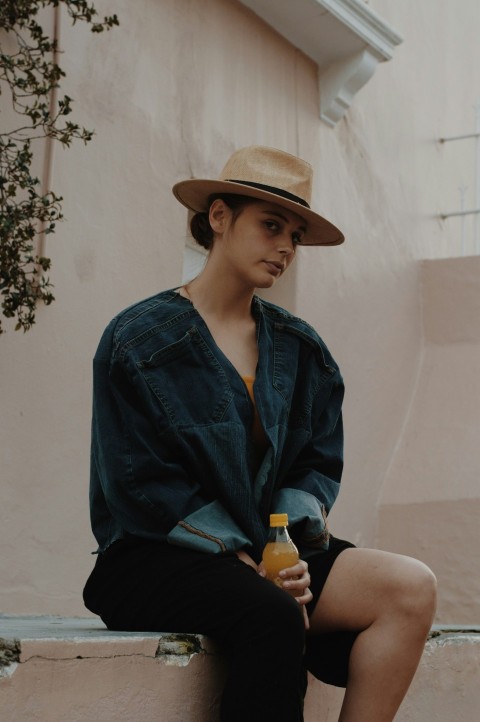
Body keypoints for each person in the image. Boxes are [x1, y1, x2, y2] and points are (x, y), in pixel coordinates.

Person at [83, 146, 437, 721]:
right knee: (269, 610)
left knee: (409, 587)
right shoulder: (140, 339)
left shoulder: (301, 349)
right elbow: (139, 484)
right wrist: (247, 561)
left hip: (271, 554)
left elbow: (314, 466)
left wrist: (286, 552)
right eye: (271, 226)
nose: (286, 249)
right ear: (219, 217)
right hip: (151, 556)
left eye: (295, 235)